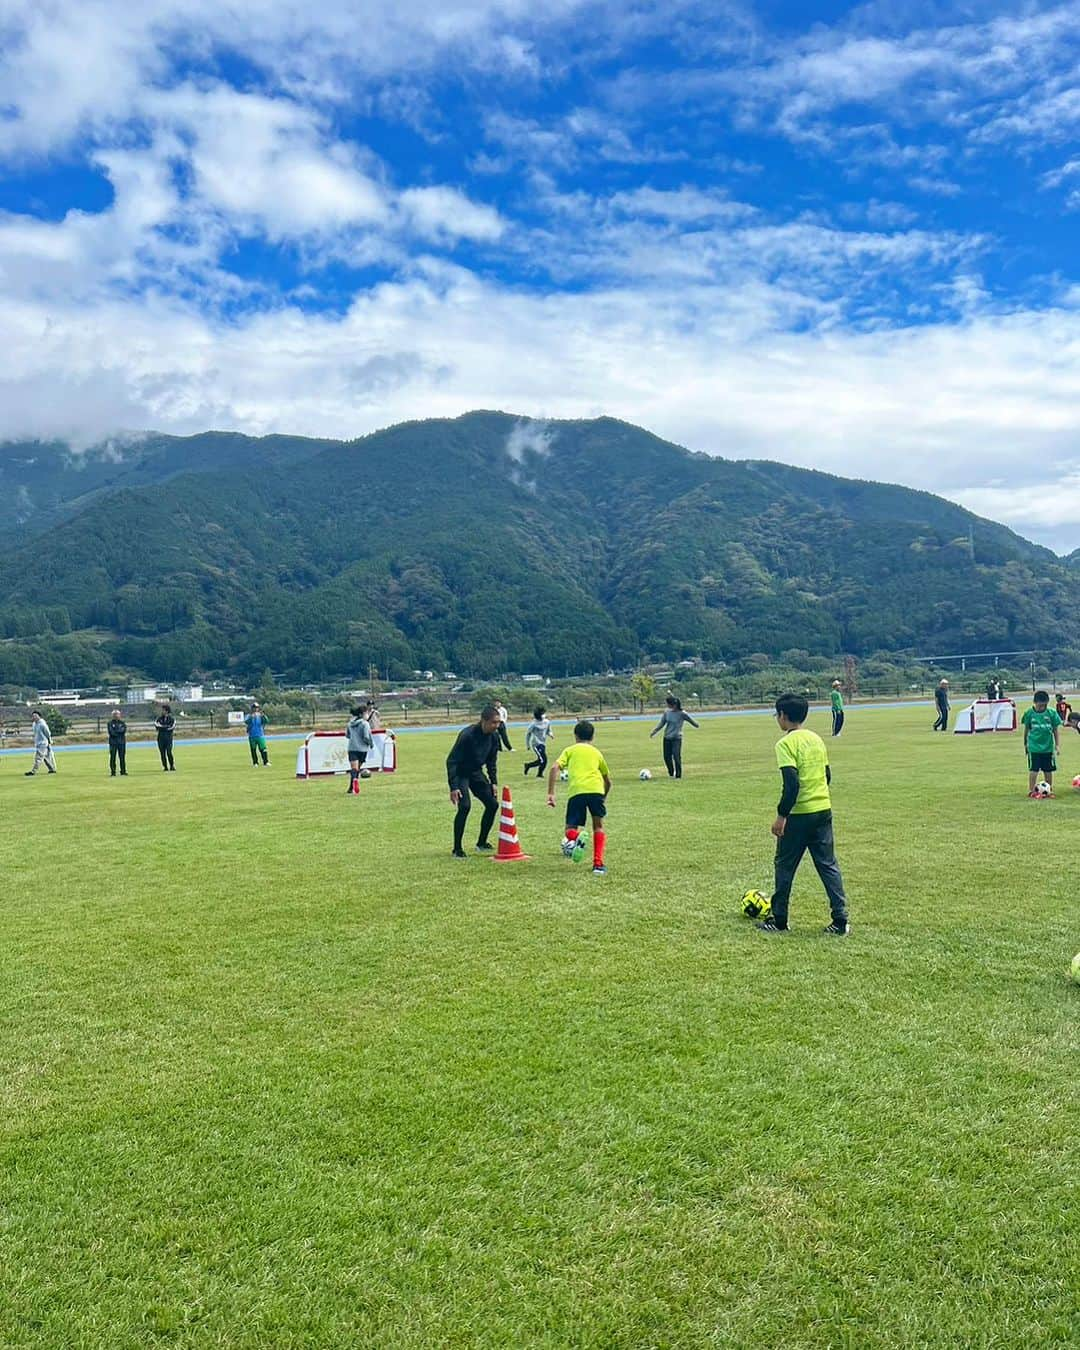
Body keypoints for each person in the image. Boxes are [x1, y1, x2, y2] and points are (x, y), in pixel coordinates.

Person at [756, 693, 850, 936]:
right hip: (823, 810)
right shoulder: (816, 739)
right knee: (828, 865)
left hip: (799, 814)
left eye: (777, 715)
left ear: (784, 716)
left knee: (785, 865)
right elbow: (826, 776)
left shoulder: (785, 744)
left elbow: (792, 784)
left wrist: (781, 816)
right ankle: (840, 920)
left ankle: (779, 920)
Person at [547, 719, 611, 875]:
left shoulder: (570, 750)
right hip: (596, 790)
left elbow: (555, 767)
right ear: (593, 737)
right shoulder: (597, 752)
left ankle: (578, 837)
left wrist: (551, 793)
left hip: (577, 792)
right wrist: (603, 797)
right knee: (598, 827)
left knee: (569, 831)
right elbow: (608, 781)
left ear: (575, 736)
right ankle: (598, 865)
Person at [446, 704, 501, 858]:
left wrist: (493, 782)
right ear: (483, 721)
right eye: (493, 722)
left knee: (493, 804)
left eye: (498, 723)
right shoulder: (467, 735)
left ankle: (481, 843)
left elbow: (491, 761)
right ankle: (457, 849)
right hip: (461, 773)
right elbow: (451, 761)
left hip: (476, 773)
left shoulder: (494, 737)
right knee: (465, 807)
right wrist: (454, 787)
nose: (496, 726)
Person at [1022, 690, 1062, 798]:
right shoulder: (1029, 714)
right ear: (1034, 702)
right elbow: (1026, 729)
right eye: (1040, 706)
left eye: (1044, 705)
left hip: (1048, 747)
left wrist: (1057, 745)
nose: (1042, 708)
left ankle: (1048, 790)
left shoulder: (1052, 713)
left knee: (1048, 770)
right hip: (1034, 747)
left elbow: (1055, 730)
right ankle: (1031, 791)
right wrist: (1025, 744)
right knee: (1034, 770)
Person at [649, 694, 700, 778]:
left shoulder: (682, 714)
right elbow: (662, 723)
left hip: (676, 738)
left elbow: (691, 721)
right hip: (667, 737)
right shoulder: (667, 712)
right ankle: (671, 773)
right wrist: (654, 731)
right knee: (667, 757)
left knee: (676, 756)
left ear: (674, 705)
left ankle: (678, 775)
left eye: (668, 704)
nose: (667, 706)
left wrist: (696, 724)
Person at [346, 705, 373, 795]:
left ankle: (351, 787)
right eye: (367, 712)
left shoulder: (350, 723)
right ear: (362, 714)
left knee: (354, 769)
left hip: (352, 748)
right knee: (358, 769)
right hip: (362, 749)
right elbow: (366, 736)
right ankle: (353, 784)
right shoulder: (365, 724)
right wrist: (370, 743)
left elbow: (347, 735)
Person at [523, 705, 555, 778]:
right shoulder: (533, 724)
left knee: (541, 760)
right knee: (543, 760)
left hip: (543, 743)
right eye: (542, 713)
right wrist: (527, 745)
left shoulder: (547, 722)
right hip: (536, 744)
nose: (544, 715)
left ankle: (528, 765)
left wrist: (551, 735)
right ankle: (539, 774)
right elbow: (528, 734)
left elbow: (548, 731)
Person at [24, 710, 57, 776]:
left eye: (36, 716)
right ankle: (52, 769)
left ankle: (33, 771)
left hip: (43, 743)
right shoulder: (34, 724)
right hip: (38, 743)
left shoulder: (42, 724)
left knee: (38, 758)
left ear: (39, 716)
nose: (34, 717)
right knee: (46, 757)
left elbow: (47, 733)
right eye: (33, 716)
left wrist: (49, 740)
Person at [244, 702, 270, 766]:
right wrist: (251, 717)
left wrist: (263, 716)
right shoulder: (249, 715)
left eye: (257, 708)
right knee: (253, 750)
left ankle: (266, 762)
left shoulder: (260, 715)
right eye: (254, 708)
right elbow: (246, 721)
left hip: (260, 735)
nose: (256, 709)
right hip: (252, 736)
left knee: (263, 749)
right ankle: (255, 762)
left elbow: (266, 721)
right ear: (252, 708)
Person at [155, 702, 176, 771]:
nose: (162, 711)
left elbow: (171, 727)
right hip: (160, 739)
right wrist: (165, 727)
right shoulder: (159, 719)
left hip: (168, 739)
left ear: (167, 711)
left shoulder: (172, 719)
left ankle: (172, 765)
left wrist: (163, 727)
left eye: (163, 710)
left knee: (169, 752)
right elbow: (157, 726)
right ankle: (165, 766)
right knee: (162, 753)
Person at [107, 708, 128, 777]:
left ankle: (123, 771)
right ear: (112, 715)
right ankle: (113, 772)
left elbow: (123, 731)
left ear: (120, 715)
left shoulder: (122, 723)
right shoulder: (110, 723)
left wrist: (116, 731)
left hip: (121, 743)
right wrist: (118, 731)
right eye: (115, 714)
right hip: (113, 743)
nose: (116, 716)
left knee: (122, 757)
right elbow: (111, 732)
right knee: (112, 757)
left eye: (117, 714)